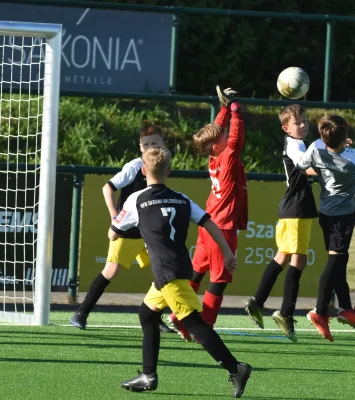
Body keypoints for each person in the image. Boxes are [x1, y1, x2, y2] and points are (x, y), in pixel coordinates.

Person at [111, 146, 251, 398]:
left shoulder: (137, 199)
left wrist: (118, 228)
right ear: (170, 171)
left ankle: (236, 368)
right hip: (178, 267)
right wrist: (228, 253)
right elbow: (209, 222)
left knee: (194, 323)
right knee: (147, 315)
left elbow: (115, 231)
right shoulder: (181, 198)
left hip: (167, 273)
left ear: (143, 171)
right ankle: (148, 375)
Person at [70, 124, 175, 333]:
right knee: (110, 271)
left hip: (149, 231)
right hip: (128, 232)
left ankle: (156, 316)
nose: (150, 147)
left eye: (155, 143)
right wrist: (114, 216)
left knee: (163, 271)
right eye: (146, 144)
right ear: (140, 147)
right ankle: (81, 313)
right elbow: (107, 187)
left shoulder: (162, 163)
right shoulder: (134, 167)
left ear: (163, 145)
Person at [295, 115, 355, 342]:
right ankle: (320, 311)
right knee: (335, 261)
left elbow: (303, 167)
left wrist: (323, 170)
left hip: (325, 212)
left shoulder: (315, 147)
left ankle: (345, 307)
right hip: (343, 216)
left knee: (340, 260)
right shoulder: (352, 158)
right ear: (345, 138)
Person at [168, 86, 248, 340]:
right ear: (216, 145)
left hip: (208, 223)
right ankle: (206, 327)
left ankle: (177, 314)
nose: (226, 135)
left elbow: (217, 133)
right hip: (222, 227)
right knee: (219, 281)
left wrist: (223, 108)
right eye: (222, 136)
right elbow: (235, 139)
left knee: (196, 273)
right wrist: (236, 111)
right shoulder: (225, 158)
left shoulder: (214, 156)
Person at [244, 105, 318, 342]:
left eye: (305, 120)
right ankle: (285, 313)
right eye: (298, 122)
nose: (304, 125)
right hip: (295, 208)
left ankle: (257, 301)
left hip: (298, 207)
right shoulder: (293, 144)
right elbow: (305, 167)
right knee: (297, 258)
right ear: (286, 128)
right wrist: (330, 168)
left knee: (286, 256)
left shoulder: (302, 143)